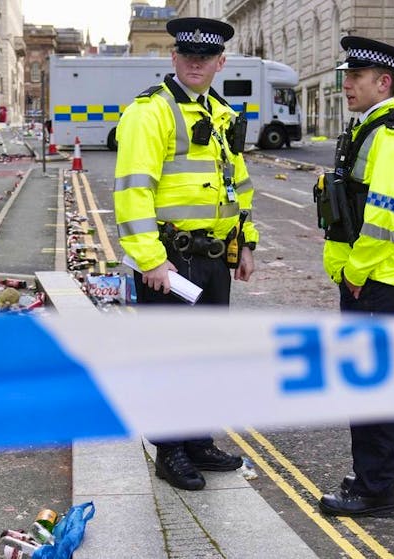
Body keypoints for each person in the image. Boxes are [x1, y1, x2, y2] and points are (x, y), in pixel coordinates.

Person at [113, 17, 258, 492]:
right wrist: (149, 259)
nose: (196, 64)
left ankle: (197, 440)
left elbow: (237, 183)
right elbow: (133, 192)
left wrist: (246, 242)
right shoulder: (149, 112)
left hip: (214, 258)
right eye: (187, 56)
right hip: (171, 261)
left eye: (206, 57)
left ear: (220, 62)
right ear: (173, 58)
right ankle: (170, 451)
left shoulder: (220, 112)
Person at [314, 36, 394, 518]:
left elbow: (386, 217)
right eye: (346, 76)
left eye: (355, 77)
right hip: (370, 276)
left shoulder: (392, 136)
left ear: (384, 82)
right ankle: (392, 480)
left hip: (374, 278)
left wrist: (354, 271)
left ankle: (372, 488)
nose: (346, 84)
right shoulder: (370, 129)